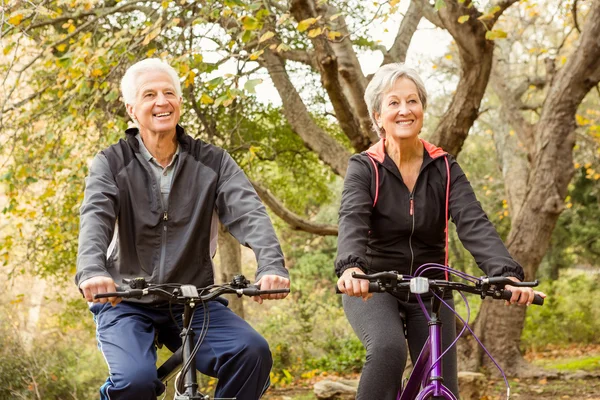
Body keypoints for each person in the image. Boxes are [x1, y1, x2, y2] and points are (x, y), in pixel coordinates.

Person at [75, 58, 290, 400]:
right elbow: (95, 218)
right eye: (149, 95)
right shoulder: (111, 162)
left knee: (251, 352)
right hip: (126, 298)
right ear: (132, 109)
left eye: (169, 93)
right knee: (135, 382)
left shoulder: (213, 161)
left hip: (191, 299)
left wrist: (271, 265)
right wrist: (91, 271)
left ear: (179, 102)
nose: (162, 102)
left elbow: (249, 213)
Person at [334, 63, 545, 399]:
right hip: (374, 285)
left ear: (423, 108)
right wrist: (350, 267)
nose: (405, 110)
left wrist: (503, 273)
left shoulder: (445, 166)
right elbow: (352, 219)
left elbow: (473, 221)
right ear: (378, 116)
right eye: (394, 103)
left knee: (441, 380)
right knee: (388, 349)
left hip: (432, 288)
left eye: (412, 101)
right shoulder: (365, 168)